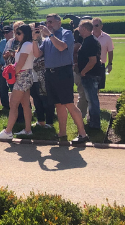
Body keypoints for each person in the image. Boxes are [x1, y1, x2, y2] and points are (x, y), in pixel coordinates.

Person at [33, 14, 90, 143]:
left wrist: (50, 35)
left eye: (51, 22)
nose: (48, 25)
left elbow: (62, 47)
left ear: (58, 22)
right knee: (58, 105)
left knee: (69, 103)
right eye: (47, 22)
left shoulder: (66, 33)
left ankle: (82, 134)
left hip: (63, 72)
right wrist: (35, 40)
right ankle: (62, 134)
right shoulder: (47, 38)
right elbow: (37, 54)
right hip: (50, 73)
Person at [0, 25, 35, 139]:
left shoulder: (26, 44)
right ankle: (27, 130)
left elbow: (21, 63)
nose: (16, 35)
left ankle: (8, 132)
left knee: (13, 104)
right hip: (26, 75)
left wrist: (12, 74)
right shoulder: (26, 44)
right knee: (25, 104)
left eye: (19, 33)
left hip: (22, 75)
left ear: (25, 33)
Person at [78, 20, 104, 130]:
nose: (78, 30)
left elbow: (92, 60)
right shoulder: (91, 40)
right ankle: (93, 122)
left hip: (90, 75)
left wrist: (83, 71)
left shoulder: (89, 42)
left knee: (92, 100)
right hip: (93, 74)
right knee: (92, 100)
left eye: (79, 28)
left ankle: (94, 125)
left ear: (84, 29)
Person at [29, 23, 55, 129]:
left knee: (47, 99)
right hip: (32, 74)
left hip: (43, 74)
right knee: (36, 98)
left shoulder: (46, 41)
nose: (35, 32)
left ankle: (49, 122)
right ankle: (40, 120)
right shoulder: (29, 42)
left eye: (37, 30)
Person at [92, 17, 114, 88]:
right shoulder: (87, 36)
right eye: (92, 25)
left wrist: (110, 64)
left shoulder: (107, 37)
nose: (94, 27)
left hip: (100, 65)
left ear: (101, 26)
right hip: (88, 65)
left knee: (98, 87)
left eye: (96, 25)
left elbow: (110, 51)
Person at [72, 28, 88, 119]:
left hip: (76, 71)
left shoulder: (74, 44)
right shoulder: (78, 45)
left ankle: (80, 114)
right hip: (78, 71)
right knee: (83, 94)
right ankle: (80, 115)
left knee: (82, 94)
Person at [0, 26, 13, 111]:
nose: (5, 34)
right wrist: (0, 64)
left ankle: (17, 105)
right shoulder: (2, 42)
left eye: (7, 32)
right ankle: (5, 106)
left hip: (12, 68)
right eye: (4, 33)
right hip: (3, 67)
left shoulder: (15, 42)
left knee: (13, 87)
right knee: (3, 87)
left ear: (12, 32)